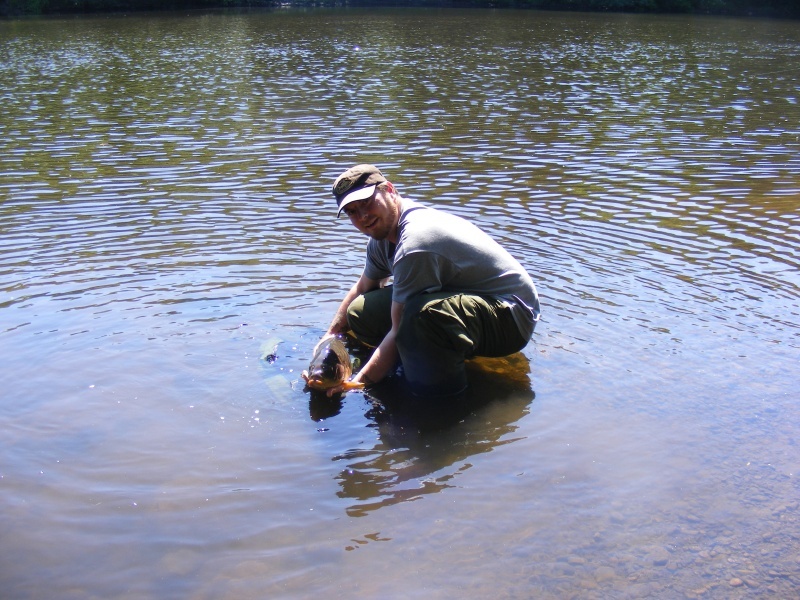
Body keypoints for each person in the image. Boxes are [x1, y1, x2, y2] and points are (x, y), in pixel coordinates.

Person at [323, 164, 540, 398]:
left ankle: (443, 397)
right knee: (360, 312)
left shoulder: (415, 242)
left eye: (367, 202)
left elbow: (398, 328)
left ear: (389, 189)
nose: (363, 217)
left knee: (420, 317)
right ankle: (430, 353)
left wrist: (357, 384)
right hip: (471, 300)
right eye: (352, 212)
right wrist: (329, 338)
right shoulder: (381, 235)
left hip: (512, 317)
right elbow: (364, 287)